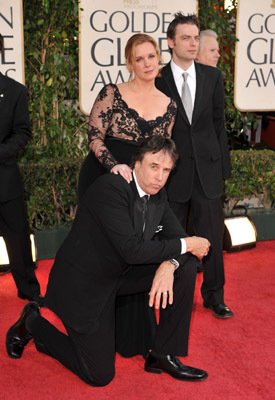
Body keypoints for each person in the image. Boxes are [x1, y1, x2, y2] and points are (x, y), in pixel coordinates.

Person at [6, 136, 210, 386]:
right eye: (154, 167)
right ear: (136, 164)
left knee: (185, 266)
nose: (160, 177)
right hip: (85, 284)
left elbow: (176, 238)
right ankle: (33, 323)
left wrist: (171, 264)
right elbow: (133, 250)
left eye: (166, 170)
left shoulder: (158, 195)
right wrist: (188, 244)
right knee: (99, 375)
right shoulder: (111, 189)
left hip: (121, 275)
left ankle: (162, 354)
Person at [155, 13, 233, 318]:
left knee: (211, 237)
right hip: (174, 174)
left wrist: (223, 169)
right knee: (173, 239)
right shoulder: (158, 79)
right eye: (185, 38)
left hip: (209, 171)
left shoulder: (213, 77)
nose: (192, 43)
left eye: (196, 38)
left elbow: (218, 125)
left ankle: (215, 296)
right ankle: (171, 293)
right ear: (171, 42)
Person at [77, 33, 177, 199]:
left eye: (151, 56)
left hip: (141, 186)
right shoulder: (112, 93)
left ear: (158, 58)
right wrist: (114, 166)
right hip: (102, 175)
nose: (147, 64)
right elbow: (94, 137)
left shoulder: (170, 105)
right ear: (130, 64)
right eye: (139, 59)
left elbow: (162, 153)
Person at [0, 34, 43, 306]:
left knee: (18, 239)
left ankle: (30, 291)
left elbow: (23, 132)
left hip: (4, 180)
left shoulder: (15, 91)